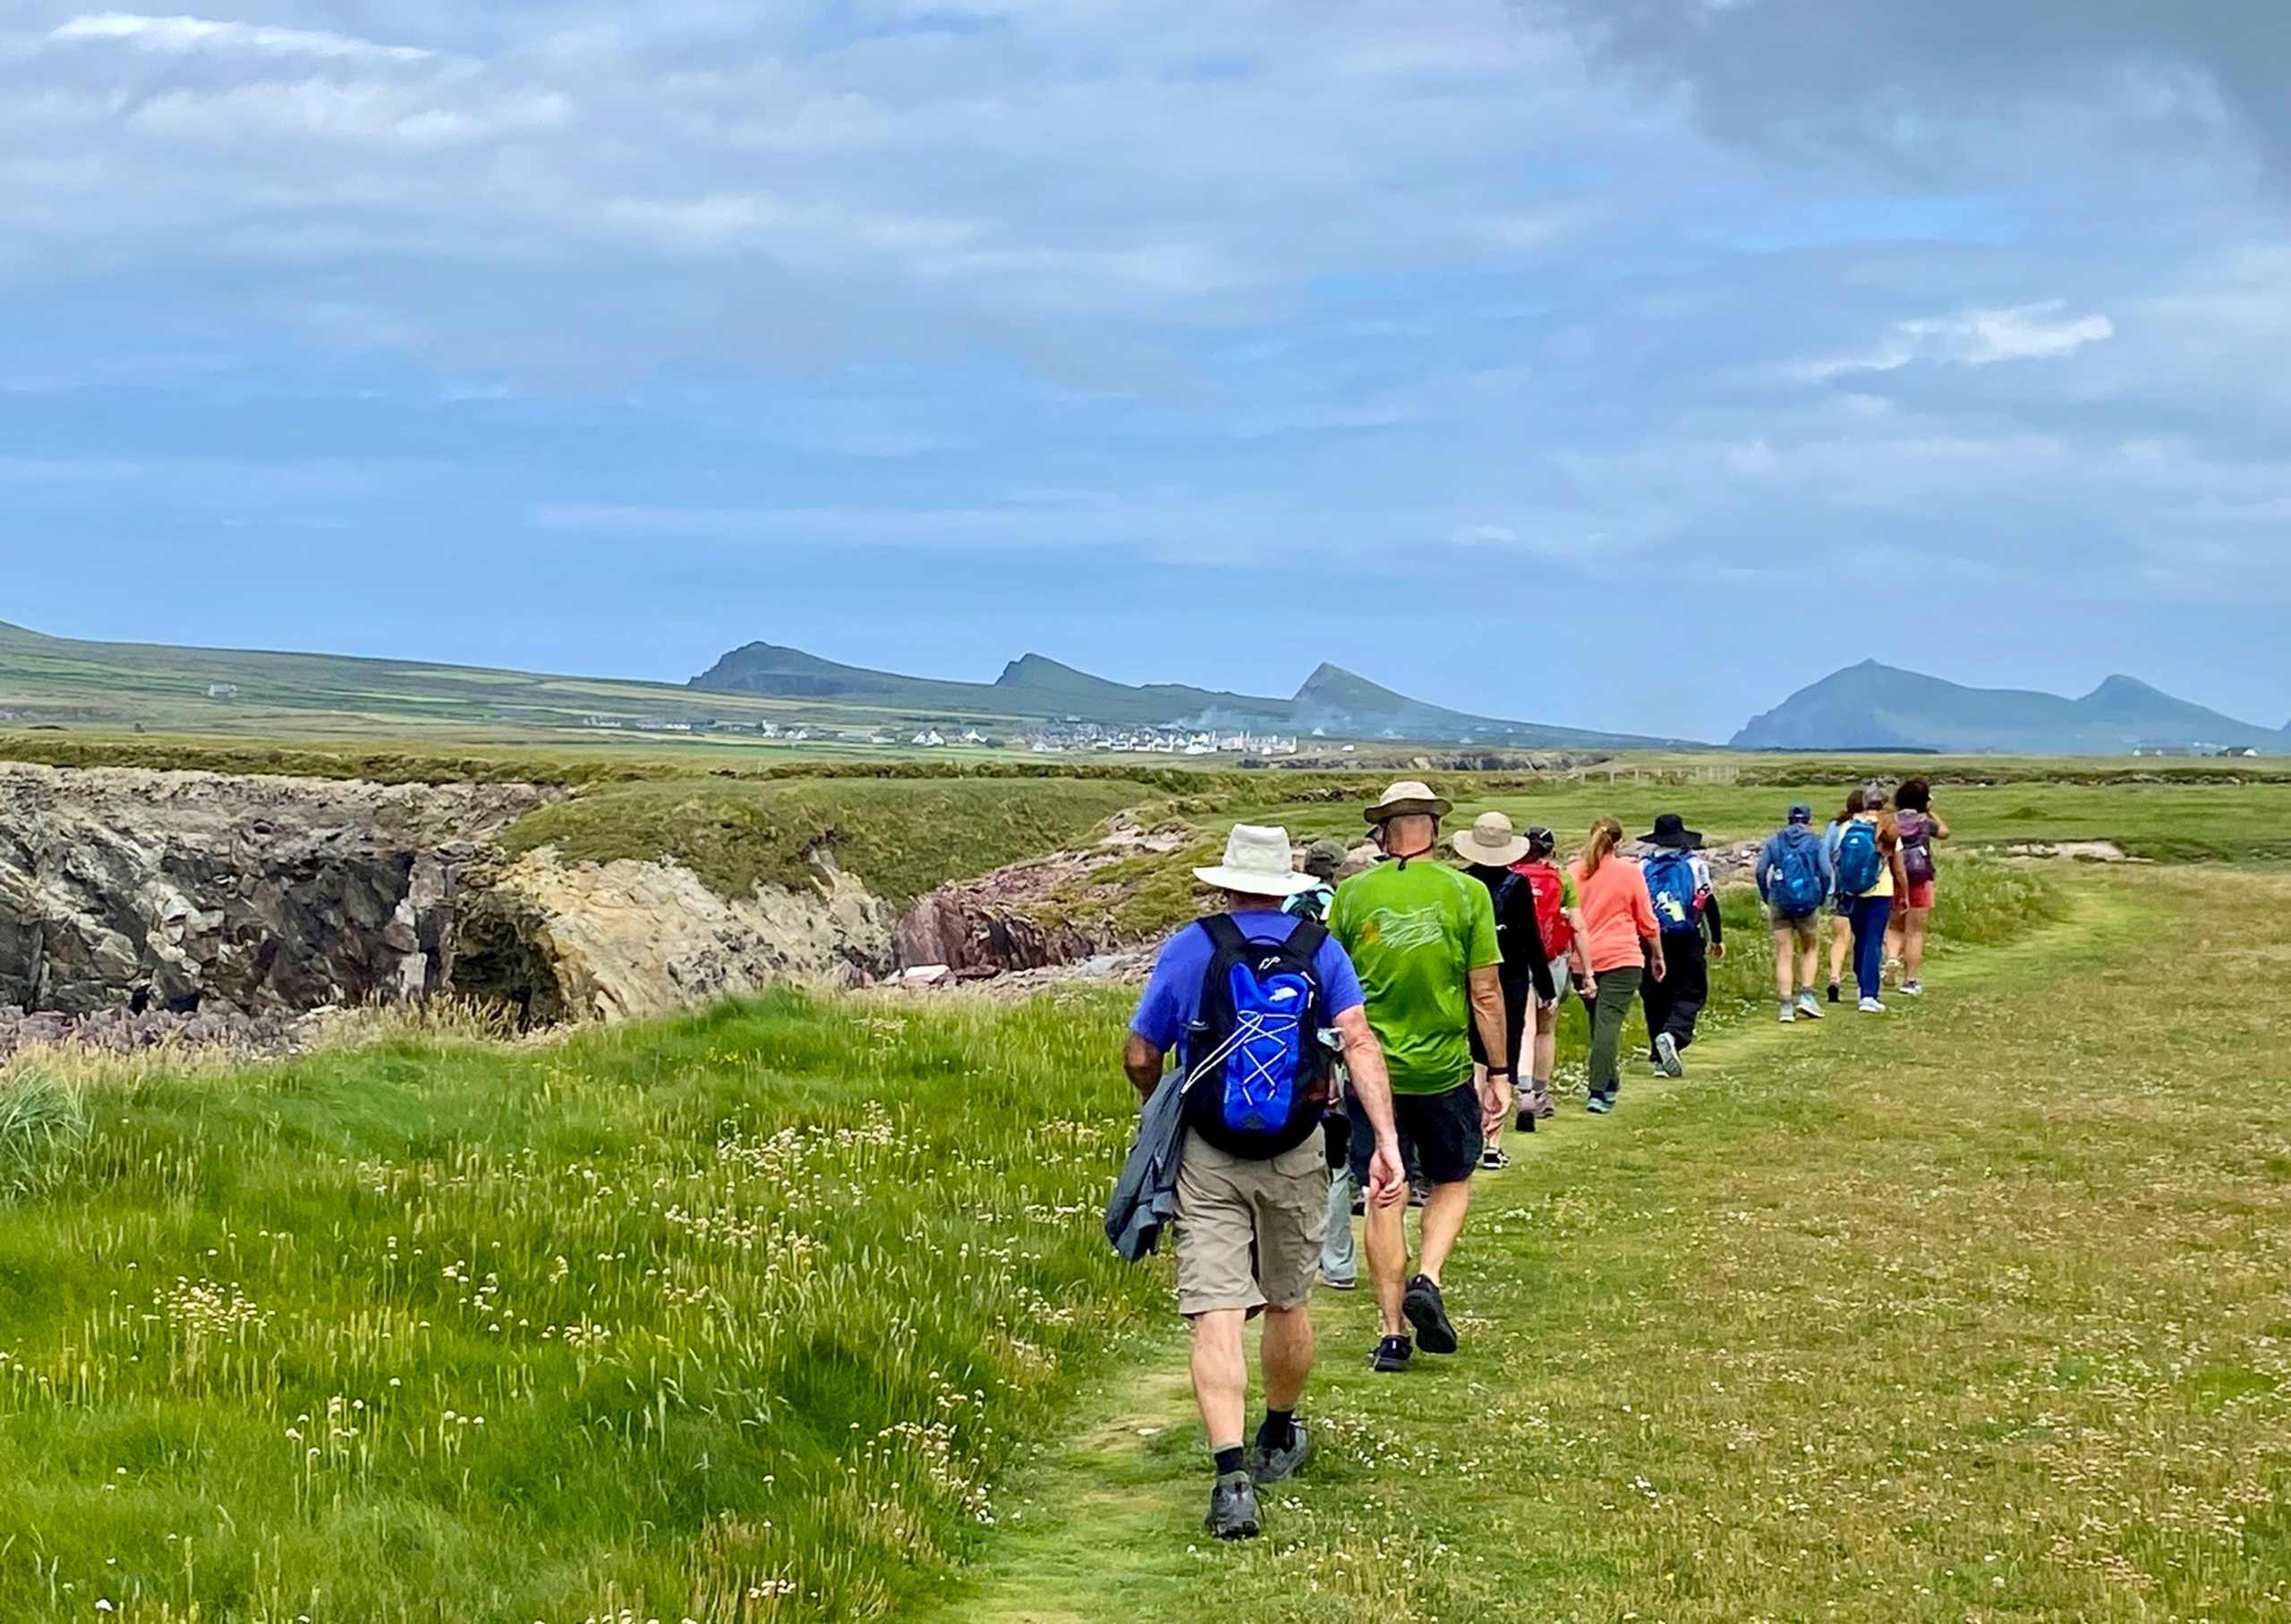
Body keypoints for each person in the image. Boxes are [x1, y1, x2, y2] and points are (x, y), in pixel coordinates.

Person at [1124, 824, 1405, 1541]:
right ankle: (1279, 1433)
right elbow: (1359, 1041)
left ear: (1226, 881)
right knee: (1287, 1298)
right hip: (1297, 1147)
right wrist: (1387, 1142)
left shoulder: (1193, 945)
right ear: (1283, 883)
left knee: (1215, 1312)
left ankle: (1230, 1479)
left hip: (1209, 1152)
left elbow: (1139, 1051)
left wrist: (1155, 1102)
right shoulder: (1320, 948)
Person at [1326, 782, 1509, 1374]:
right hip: (1443, 1068)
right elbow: (1485, 991)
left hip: (1370, 1071)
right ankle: (1427, 1275)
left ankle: (1391, 1333)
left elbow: (1333, 987)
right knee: (1453, 1177)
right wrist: (1500, 1070)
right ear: (1433, 826)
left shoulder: (1350, 897)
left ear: (1383, 831)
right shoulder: (1468, 892)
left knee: (1384, 1189)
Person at [1451, 810, 1554, 1170]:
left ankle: (1470, 1137)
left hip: (1466, 976)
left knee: (1472, 1060)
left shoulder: (1459, 883)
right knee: (1501, 1060)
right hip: (1508, 978)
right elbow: (1530, 939)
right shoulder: (1518, 885)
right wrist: (1545, 984)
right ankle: (1493, 1143)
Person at [1285, 838, 1359, 1290]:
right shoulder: (1344, 905)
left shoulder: (1286, 906)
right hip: (1333, 1037)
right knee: (1338, 1157)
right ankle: (1337, 1260)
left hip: (1288, 1042)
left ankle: (1295, 1254)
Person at [1570, 816, 1665, 1114]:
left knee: (1597, 1022)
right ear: (1620, 842)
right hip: (1622, 956)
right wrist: (1657, 955)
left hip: (1582, 959)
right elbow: (1647, 921)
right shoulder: (1630, 872)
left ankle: (1609, 1081)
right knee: (1608, 1023)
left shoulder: (1573, 872)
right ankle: (1598, 1090)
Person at [1510, 826, 1586, 1127]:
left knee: (1524, 1029)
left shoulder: (1512, 877)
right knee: (1546, 1030)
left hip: (1517, 960)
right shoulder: (1562, 878)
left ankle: (1522, 1090)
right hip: (1553, 959)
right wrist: (1587, 971)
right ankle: (1541, 1092)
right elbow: (1578, 924)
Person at [1638, 812, 1724, 1077]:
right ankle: (1673, 1034)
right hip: (1686, 937)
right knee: (1692, 992)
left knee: (1654, 994)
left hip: (1650, 938)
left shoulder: (1641, 866)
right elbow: (1707, 901)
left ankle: (1657, 1057)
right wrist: (1717, 938)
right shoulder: (1695, 865)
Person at [1832, 788, 1909, 1013]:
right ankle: (1868, 994)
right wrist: (1904, 892)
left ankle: (1862, 983)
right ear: (1883, 804)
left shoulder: (1846, 827)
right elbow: (1899, 866)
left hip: (1851, 891)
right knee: (1873, 941)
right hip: (1880, 890)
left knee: (1860, 939)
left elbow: (1836, 858)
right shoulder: (1888, 826)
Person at [1756, 803, 1835, 1022]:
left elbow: (1761, 870)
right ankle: (1807, 995)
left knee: (1784, 953)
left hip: (1780, 901)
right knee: (1810, 948)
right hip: (1808, 901)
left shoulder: (1775, 841)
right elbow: (1827, 872)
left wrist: (1766, 894)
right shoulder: (1816, 842)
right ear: (1808, 820)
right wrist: (1822, 896)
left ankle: (1785, 1006)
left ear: (1788, 819)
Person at [1886, 779, 1950, 997]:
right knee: (1915, 932)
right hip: (1921, 878)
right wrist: (1932, 811)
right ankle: (1910, 980)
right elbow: (1944, 832)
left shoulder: (1891, 820)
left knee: (1894, 926)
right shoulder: (1924, 821)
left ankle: (1892, 958)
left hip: (1894, 878)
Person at [1823, 787, 1867, 1004]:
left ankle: (1834, 977)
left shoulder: (1835, 826)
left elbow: (1825, 857)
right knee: (1865, 937)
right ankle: (1863, 982)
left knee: (1840, 938)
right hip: (1866, 889)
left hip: (1838, 889)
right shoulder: (1869, 826)